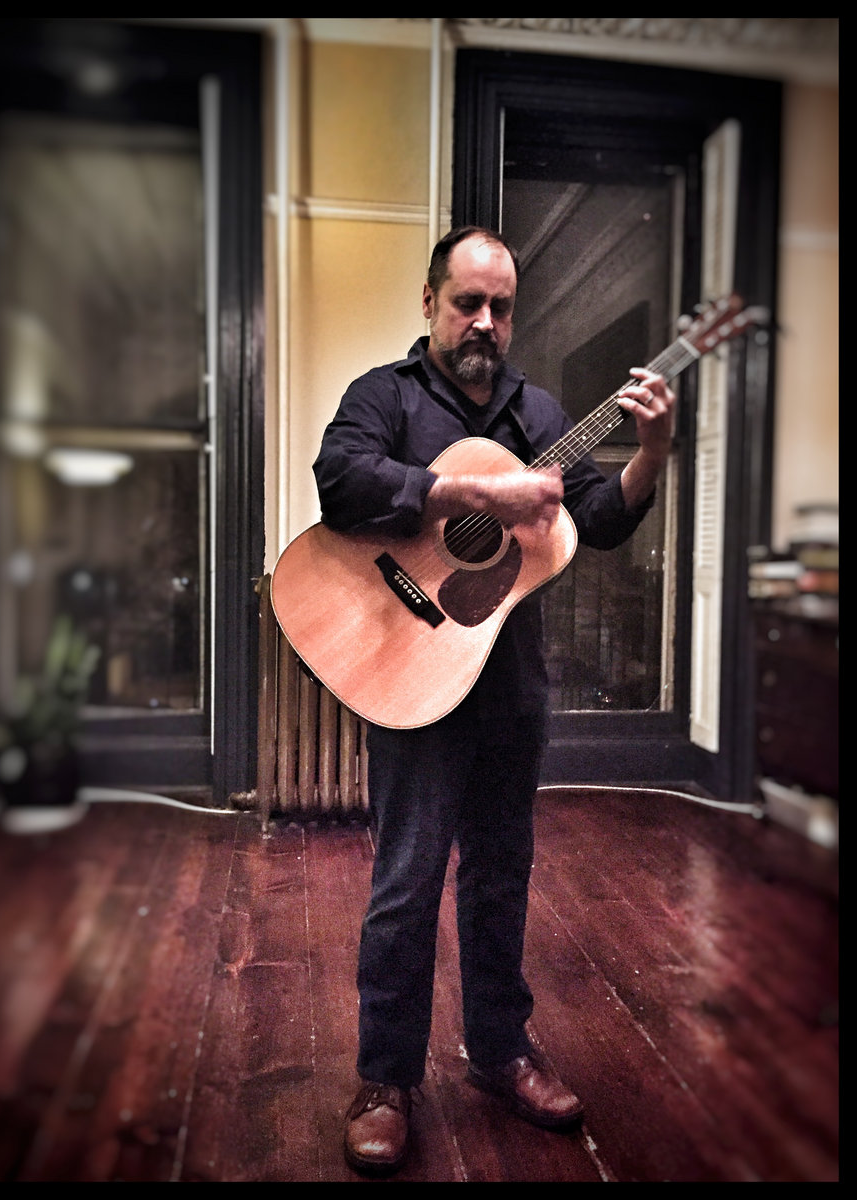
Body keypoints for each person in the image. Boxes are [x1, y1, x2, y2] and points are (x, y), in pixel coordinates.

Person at [311, 226, 676, 1176]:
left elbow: (597, 519)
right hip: (413, 672)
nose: (484, 321)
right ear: (429, 301)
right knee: (406, 881)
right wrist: (472, 495)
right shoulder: (384, 396)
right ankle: (385, 1079)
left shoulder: (540, 411)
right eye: (467, 302)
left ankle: (500, 1051)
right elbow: (341, 480)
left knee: (502, 875)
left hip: (508, 683)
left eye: (500, 307)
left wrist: (650, 453)